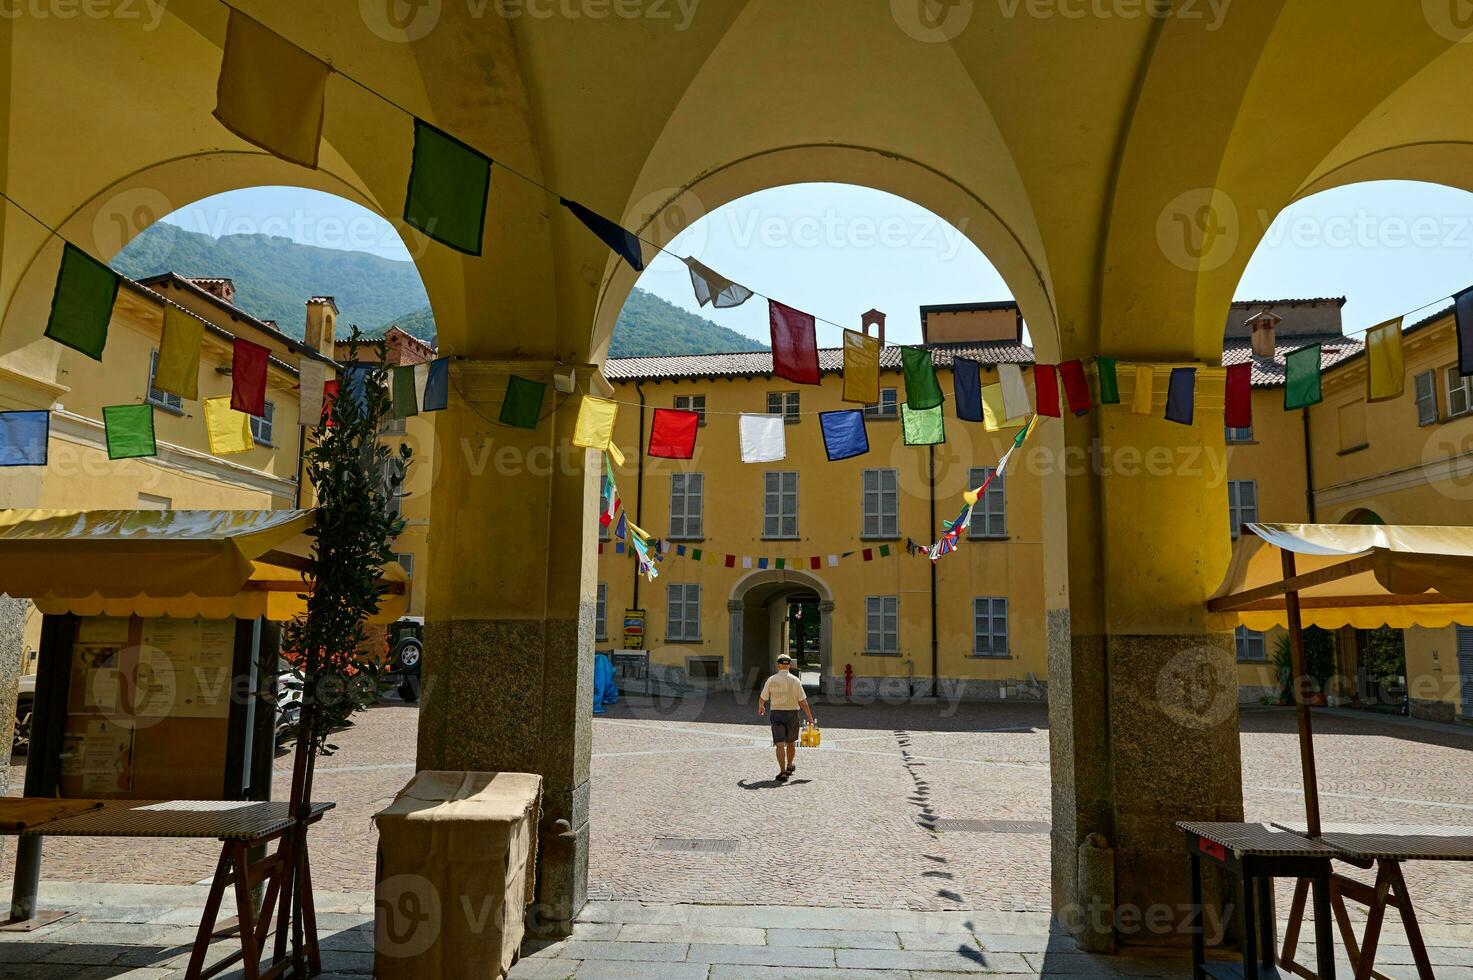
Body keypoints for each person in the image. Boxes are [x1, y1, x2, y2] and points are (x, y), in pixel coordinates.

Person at [757, 654, 815, 782]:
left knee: (779, 744)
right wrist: (810, 717)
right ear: (789, 665)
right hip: (792, 715)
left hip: (777, 714)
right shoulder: (795, 680)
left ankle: (782, 772)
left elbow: (763, 698)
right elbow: (803, 702)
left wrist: (761, 706)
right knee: (791, 742)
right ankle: (789, 766)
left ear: (778, 665)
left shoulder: (771, 680)